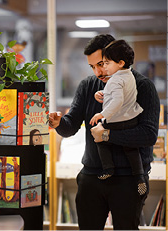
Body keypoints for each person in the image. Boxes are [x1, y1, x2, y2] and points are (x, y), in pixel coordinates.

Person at [49, 34, 160, 230]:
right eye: (92, 67)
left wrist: (107, 135)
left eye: (102, 64)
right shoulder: (88, 86)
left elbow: (148, 134)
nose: (98, 72)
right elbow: (70, 127)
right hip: (91, 176)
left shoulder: (143, 86)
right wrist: (58, 123)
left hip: (129, 178)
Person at [89, 39, 146, 196]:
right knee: (131, 150)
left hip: (116, 121)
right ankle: (140, 176)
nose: (104, 67)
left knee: (100, 140)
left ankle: (108, 168)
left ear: (120, 62)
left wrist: (102, 114)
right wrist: (102, 95)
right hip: (131, 118)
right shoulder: (129, 76)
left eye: (107, 63)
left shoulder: (114, 79)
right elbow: (122, 95)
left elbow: (117, 100)